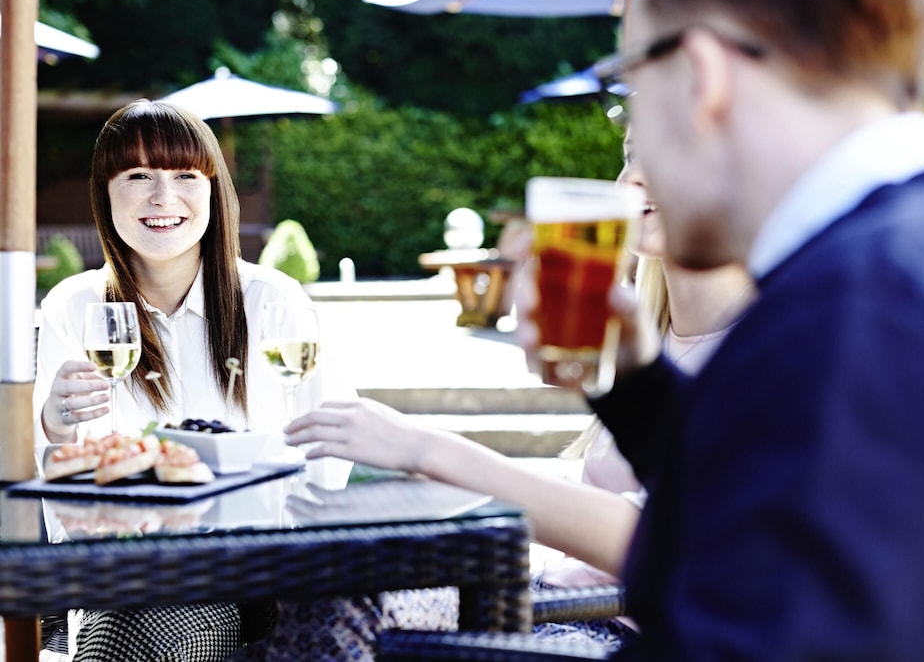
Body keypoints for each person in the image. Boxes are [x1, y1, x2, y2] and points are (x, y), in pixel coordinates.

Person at [516, 0, 924, 660]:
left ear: (703, 75)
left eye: (628, 86)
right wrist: (639, 391)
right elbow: (772, 518)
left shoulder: (854, 310)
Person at [267, 134, 753, 656]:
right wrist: (433, 482)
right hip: (541, 594)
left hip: (610, 628)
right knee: (324, 591)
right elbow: (595, 492)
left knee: (343, 614)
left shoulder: (769, 352)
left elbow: (661, 536)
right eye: (631, 154)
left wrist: (429, 451)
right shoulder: (644, 335)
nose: (633, 177)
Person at [33, 99, 336, 661]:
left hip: (254, 569)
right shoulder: (74, 308)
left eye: (184, 176)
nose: (163, 197)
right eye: (138, 176)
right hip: (122, 567)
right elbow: (52, 483)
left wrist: (295, 562)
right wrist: (55, 423)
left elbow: (329, 448)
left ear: (214, 190)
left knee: (146, 627)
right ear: (104, 192)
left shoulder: (271, 301)